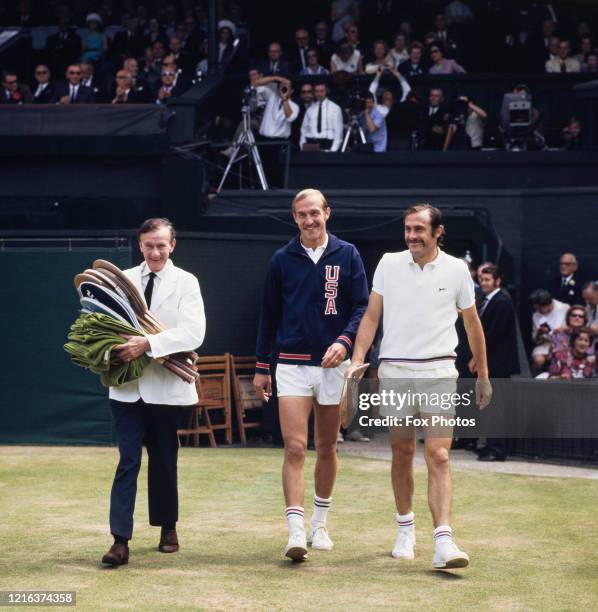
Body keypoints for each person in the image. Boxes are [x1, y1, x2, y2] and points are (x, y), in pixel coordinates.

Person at [346, 203, 491, 570]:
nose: (412, 236)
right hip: (395, 371)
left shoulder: (458, 269)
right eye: (408, 229)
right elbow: (372, 315)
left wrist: (484, 375)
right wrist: (357, 358)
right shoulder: (388, 264)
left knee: (439, 455)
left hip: (440, 371)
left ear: (437, 232)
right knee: (401, 453)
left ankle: (443, 540)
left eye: (419, 229)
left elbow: (472, 324)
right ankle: (405, 528)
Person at [253, 189, 368, 560]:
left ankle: (320, 525)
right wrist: (261, 367)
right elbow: (267, 316)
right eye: (302, 215)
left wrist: (346, 341)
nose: (309, 220)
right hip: (290, 364)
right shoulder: (281, 259)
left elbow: (362, 306)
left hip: (334, 366)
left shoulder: (347, 254)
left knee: (328, 447)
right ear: (295, 218)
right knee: (295, 447)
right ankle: (295, 532)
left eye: (315, 213)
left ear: (327, 213)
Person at [101, 217, 206, 566]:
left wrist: (147, 343)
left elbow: (194, 333)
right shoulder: (122, 280)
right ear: (140, 245)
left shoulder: (187, 282)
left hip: (166, 391)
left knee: (164, 460)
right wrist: (115, 349)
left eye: (162, 245)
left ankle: (168, 528)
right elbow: (103, 326)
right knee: (127, 460)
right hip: (127, 389)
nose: (156, 251)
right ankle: (120, 540)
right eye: (149, 245)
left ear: (172, 244)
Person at [471, 265, 518, 462]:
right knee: (490, 407)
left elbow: (493, 335)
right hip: (493, 363)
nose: (483, 283)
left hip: (498, 364)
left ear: (498, 281)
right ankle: (491, 445)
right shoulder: (489, 301)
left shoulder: (502, 302)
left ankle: (497, 450)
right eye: (482, 280)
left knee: (496, 407)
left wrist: (476, 357)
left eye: (488, 280)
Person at [530, 289, 569, 375]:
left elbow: (574, 327)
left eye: (540, 308)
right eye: (536, 308)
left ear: (548, 304)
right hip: (546, 343)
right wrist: (539, 333)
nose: (538, 310)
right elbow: (534, 338)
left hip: (564, 343)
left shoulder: (564, 308)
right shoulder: (536, 315)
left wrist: (565, 328)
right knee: (538, 360)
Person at [299, 82, 344, 152]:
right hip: (311, 146)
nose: (319, 94)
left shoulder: (335, 108)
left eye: (321, 91)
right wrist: (302, 146)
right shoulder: (310, 110)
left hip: (328, 144)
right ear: (314, 93)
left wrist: (333, 150)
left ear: (326, 91)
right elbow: (304, 130)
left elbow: (338, 132)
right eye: (317, 91)